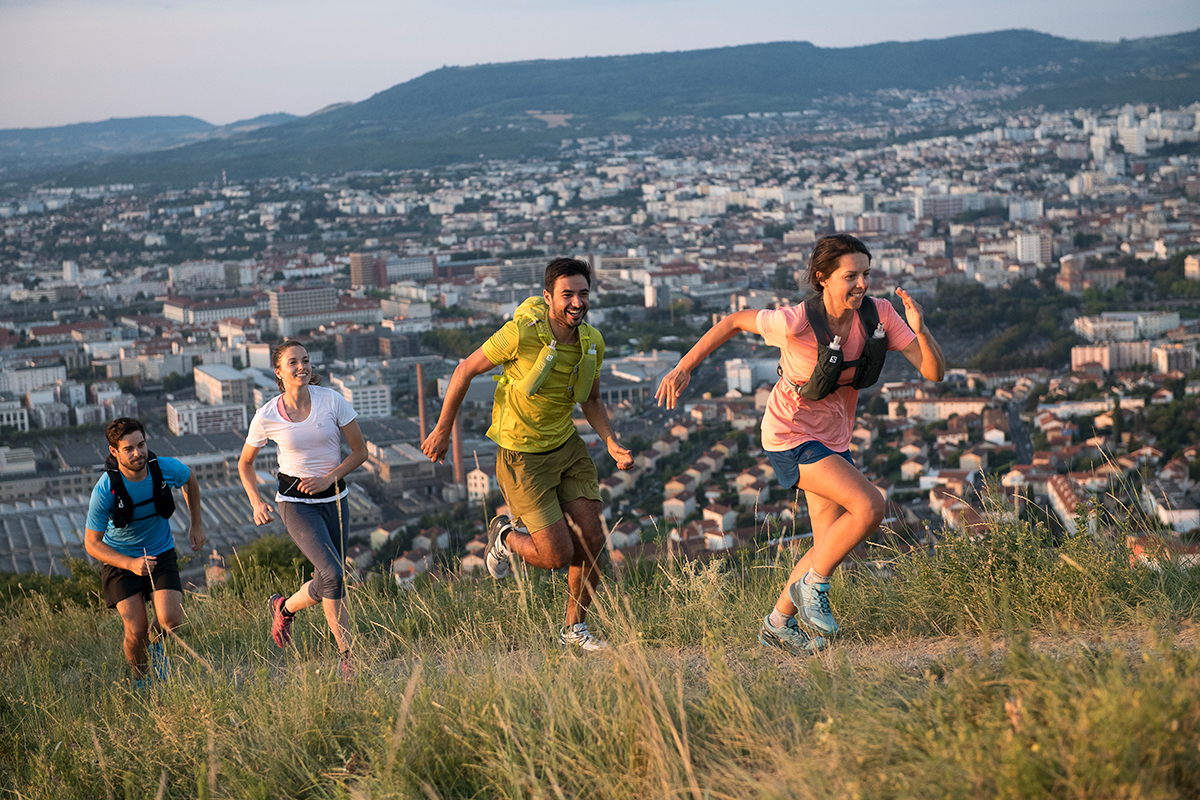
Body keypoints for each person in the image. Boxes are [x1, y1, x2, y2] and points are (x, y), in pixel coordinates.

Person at [656, 233, 944, 655]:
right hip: (789, 435)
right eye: (851, 276)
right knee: (869, 507)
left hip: (833, 438)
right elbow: (734, 321)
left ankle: (777, 624)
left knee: (826, 545)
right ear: (822, 278)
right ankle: (814, 587)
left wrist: (921, 330)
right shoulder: (795, 322)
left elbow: (934, 372)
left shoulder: (878, 315)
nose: (862, 284)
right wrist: (684, 368)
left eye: (866, 274)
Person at [421, 257, 633, 652]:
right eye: (567, 294)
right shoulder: (520, 334)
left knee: (592, 542)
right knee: (556, 555)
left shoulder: (592, 342)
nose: (576, 302)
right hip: (522, 457)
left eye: (583, 293)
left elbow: (592, 399)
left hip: (567, 447)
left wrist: (609, 440)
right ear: (547, 297)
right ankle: (504, 536)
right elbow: (464, 370)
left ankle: (574, 629)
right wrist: (442, 429)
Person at [238, 340, 367, 679]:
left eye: (306, 360)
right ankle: (348, 658)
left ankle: (283, 606)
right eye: (293, 362)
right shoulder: (266, 415)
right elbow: (245, 464)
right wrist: (256, 501)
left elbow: (360, 452)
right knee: (336, 575)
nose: (302, 367)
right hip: (295, 503)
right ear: (279, 372)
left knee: (326, 580)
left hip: (335, 499)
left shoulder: (332, 400)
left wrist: (329, 478)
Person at [84, 417, 204, 686]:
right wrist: (130, 564)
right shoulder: (105, 489)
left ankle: (157, 645)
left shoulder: (162, 469)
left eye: (141, 445)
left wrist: (196, 524)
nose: (138, 453)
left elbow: (190, 480)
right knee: (136, 628)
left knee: (170, 621)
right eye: (129, 449)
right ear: (114, 452)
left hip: (160, 551)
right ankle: (142, 680)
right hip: (121, 561)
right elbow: (92, 544)